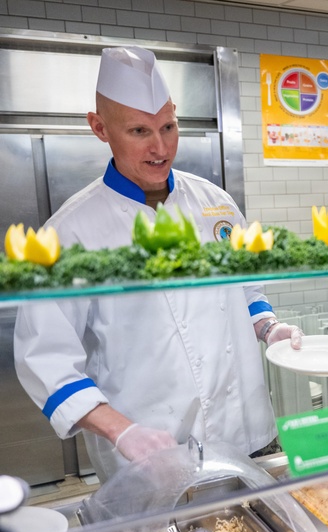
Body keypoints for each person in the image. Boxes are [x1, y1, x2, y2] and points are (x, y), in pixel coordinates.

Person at [13, 46, 302, 483]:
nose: (161, 147)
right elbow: (45, 357)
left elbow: (247, 290)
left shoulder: (216, 203)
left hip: (249, 434)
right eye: (139, 131)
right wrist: (121, 430)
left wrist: (267, 327)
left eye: (168, 127)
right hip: (150, 456)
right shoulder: (68, 232)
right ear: (99, 127)